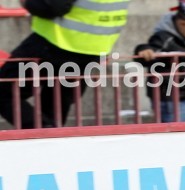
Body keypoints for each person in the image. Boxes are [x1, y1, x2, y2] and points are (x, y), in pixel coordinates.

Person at [0, 0, 131, 129]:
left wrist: (27, 2)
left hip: (56, 42)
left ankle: (45, 133)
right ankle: (50, 139)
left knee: (5, 91)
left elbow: (53, 7)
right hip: (94, 49)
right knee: (56, 104)